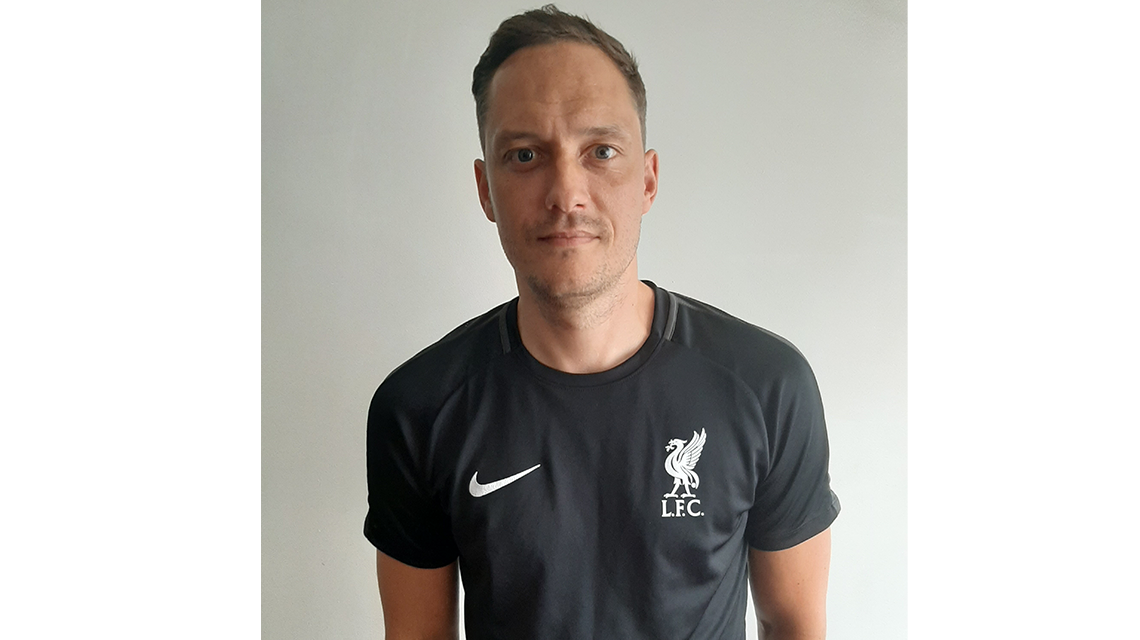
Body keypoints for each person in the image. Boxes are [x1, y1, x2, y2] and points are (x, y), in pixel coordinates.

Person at [364, 5, 839, 639]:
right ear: (485, 190)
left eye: (601, 151)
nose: (567, 192)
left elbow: (794, 624)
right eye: (525, 154)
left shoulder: (768, 387)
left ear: (647, 180)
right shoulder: (419, 408)